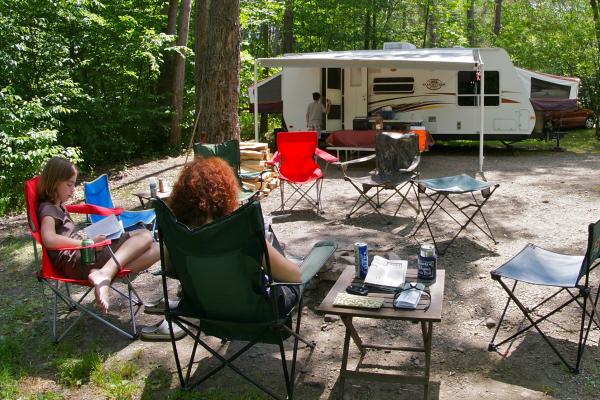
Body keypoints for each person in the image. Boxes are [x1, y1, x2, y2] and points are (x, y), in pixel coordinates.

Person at [169, 156, 302, 312]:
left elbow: (170, 270)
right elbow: (295, 277)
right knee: (267, 235)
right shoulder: (241, 232)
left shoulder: (177, 234)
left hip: (204, 309)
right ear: (226, 194)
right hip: (253, 313)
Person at [38, 157, 160, 313]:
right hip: (79, 260)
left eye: (74, 184)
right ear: (54, 182)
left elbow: (65, 235)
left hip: (83, 255)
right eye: (69, 184)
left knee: (157, 248)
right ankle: (105, 274)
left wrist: (86, 239)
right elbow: (49, 239)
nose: (73, 190)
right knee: (145, 235)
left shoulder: (58, 204)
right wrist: (85, 243)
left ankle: (105, 273)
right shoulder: (48, 210)